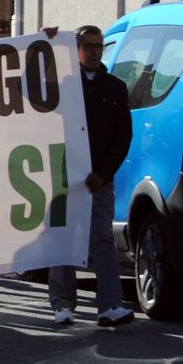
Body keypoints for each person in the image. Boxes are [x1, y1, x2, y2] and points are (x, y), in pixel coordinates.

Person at [49, 26, 135, 327]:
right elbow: (27, 91)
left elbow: (123, 136)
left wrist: (103, 172)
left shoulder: (115, 88)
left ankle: (110, 305)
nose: (96, 51)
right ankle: (63, 304)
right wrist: (43, 42)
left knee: (102, 238)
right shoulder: (62, 85)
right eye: (89, 45)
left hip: (99, 179)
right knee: (62, 238)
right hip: (64, 176)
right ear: (76, 48)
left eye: (99, 45)